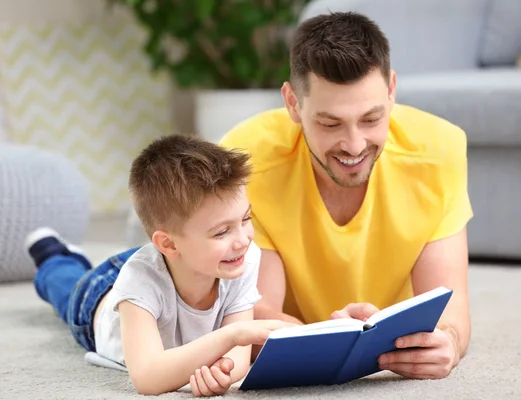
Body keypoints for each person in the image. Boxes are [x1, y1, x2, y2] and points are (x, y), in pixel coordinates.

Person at [218, 11, 474, 380]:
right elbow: (254, 315)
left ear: (392, 90)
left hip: (389, 339)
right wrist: (332, 337)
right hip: (293, 329)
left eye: (371, 119)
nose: (354, 145)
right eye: (330, 123)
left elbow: (449, 306)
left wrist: (447, 341)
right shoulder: (248, 159)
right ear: (293, 103)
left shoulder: (439, 150)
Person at [25, 134, 292, 397]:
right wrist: (230, 336)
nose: (243, 240)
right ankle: (54, 255)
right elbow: (148, 377)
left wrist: (221, 372)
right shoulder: (139, 281)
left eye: (245, 219)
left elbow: (238, 358)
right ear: (169, 244)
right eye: (222, 232)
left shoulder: (239, 258)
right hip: (100, 297)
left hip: (182, 260)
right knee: (64, 285)